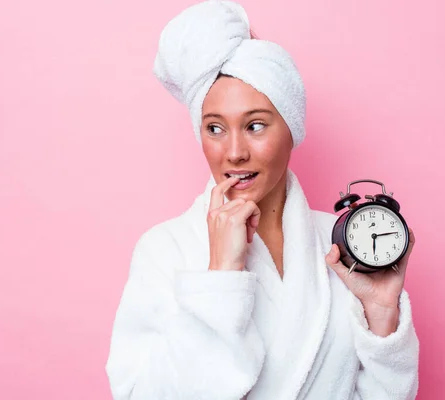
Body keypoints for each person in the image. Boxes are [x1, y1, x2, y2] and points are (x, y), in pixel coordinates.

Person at [105, 1, 419, 399]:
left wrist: (382, 314)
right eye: (214, 128)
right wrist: (220, 277)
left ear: (291, 126)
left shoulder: (344, 246)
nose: (233, 152)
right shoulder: (164, 250)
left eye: (255, 125)